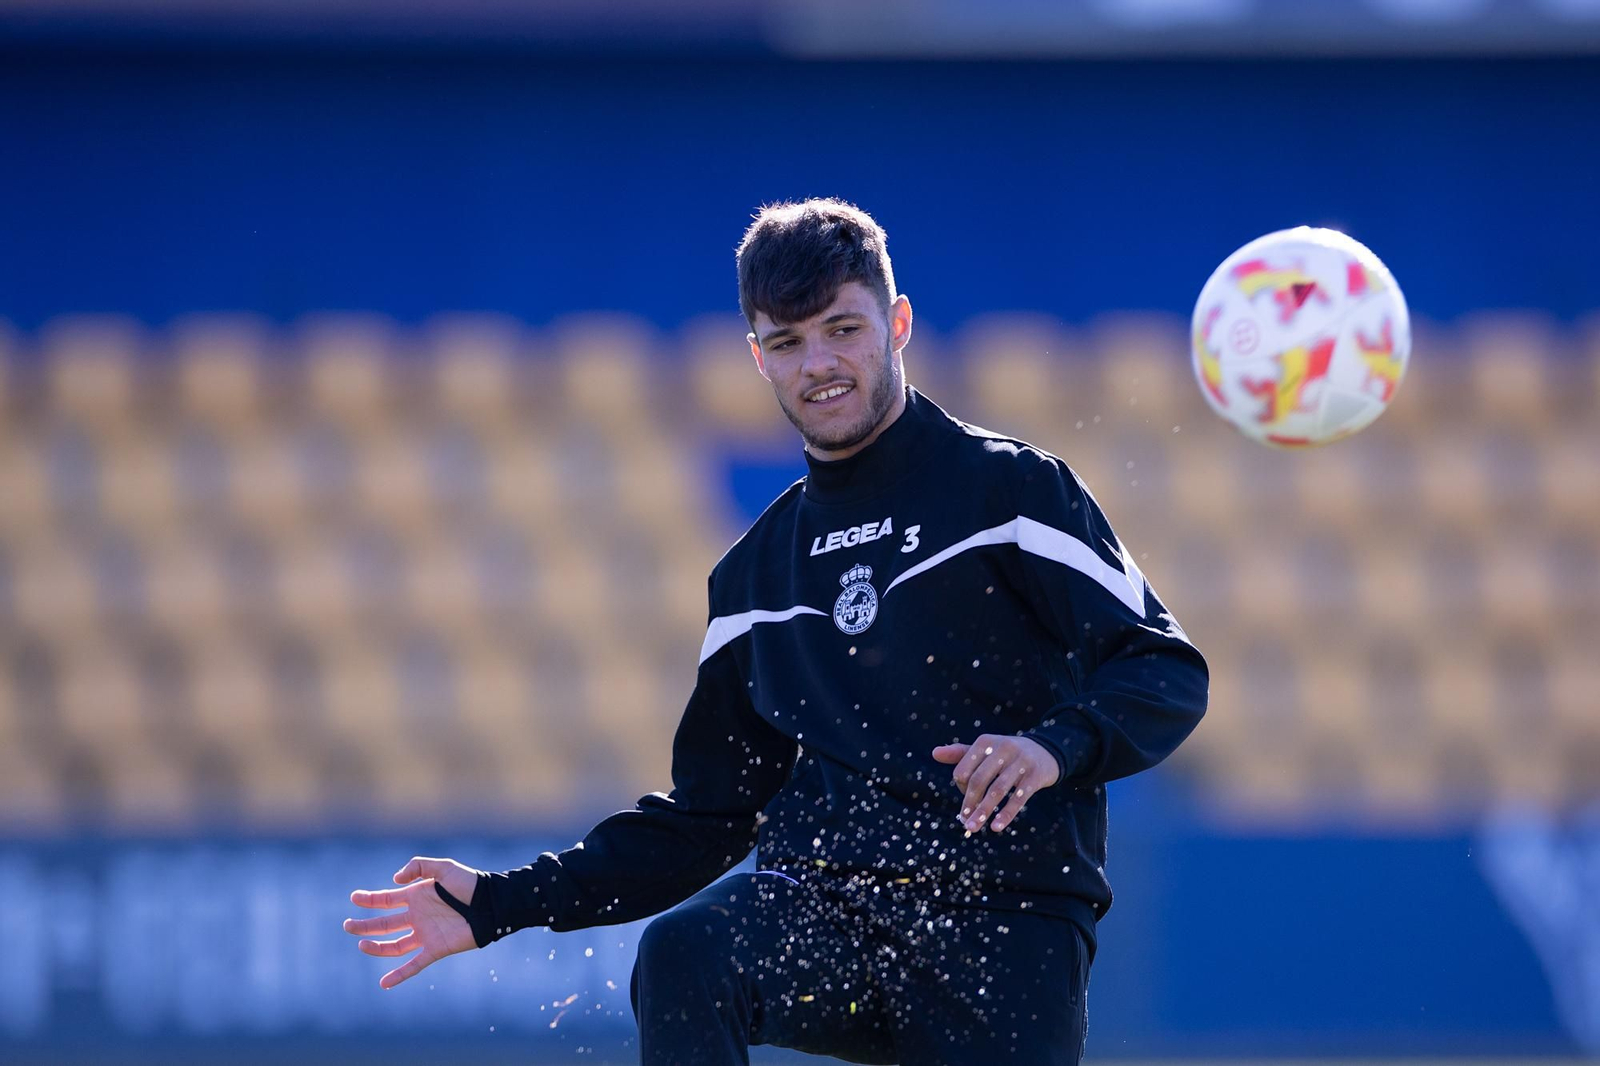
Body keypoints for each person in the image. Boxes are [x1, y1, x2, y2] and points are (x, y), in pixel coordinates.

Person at [344, 198, 1208, 1065]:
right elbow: (706, 818)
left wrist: (1053, 748)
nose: (820, 364)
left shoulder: (1012, 492)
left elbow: (1165, 669)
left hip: (1005, 919)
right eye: (788, 343)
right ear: (757, 356)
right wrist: (497, 903)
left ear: (897, 323)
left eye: (842, 329)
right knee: (686, 951)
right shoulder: (754, 576)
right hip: (825, 912)